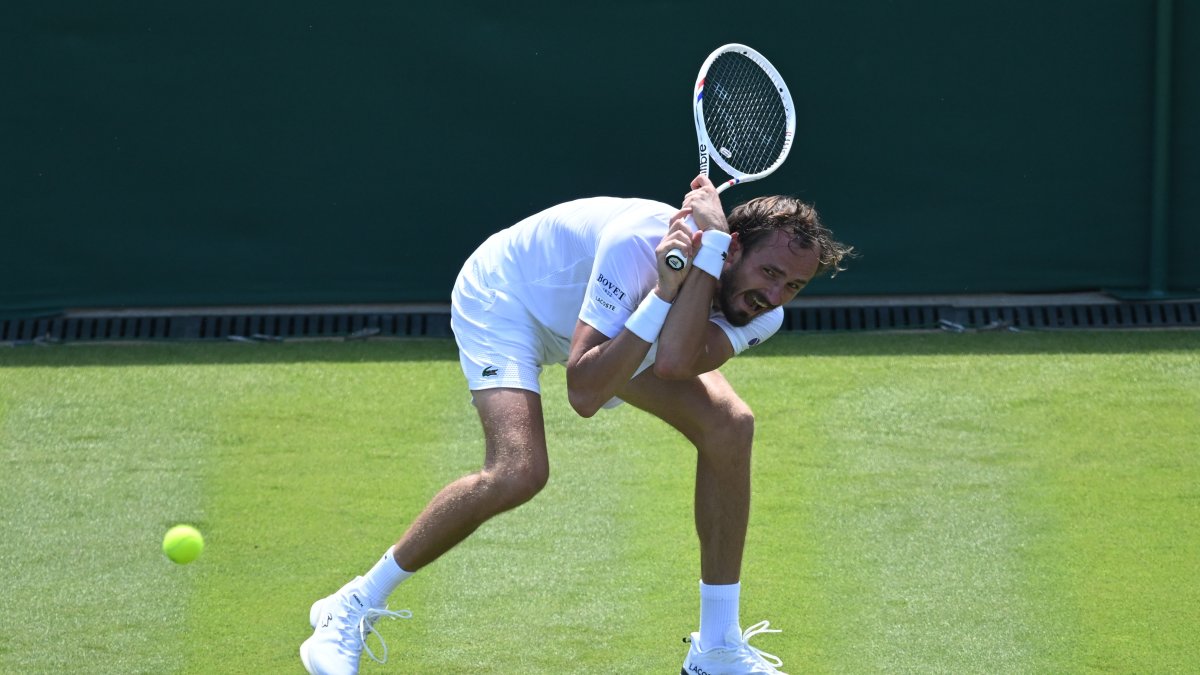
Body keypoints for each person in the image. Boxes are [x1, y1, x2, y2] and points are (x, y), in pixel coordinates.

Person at [300, 174, 854, 675]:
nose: (775, 297)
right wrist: (665, 287)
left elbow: (675, 362)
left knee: (730, 425)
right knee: (519, 471)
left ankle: (716, 649)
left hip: (621, 325)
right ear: (734, 246)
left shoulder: (763, 310)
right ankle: (351, 606)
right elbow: (585, 392)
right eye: (770, 273)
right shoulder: (637, 244)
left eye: (793, 287)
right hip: (510, 297)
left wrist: (697, 266)